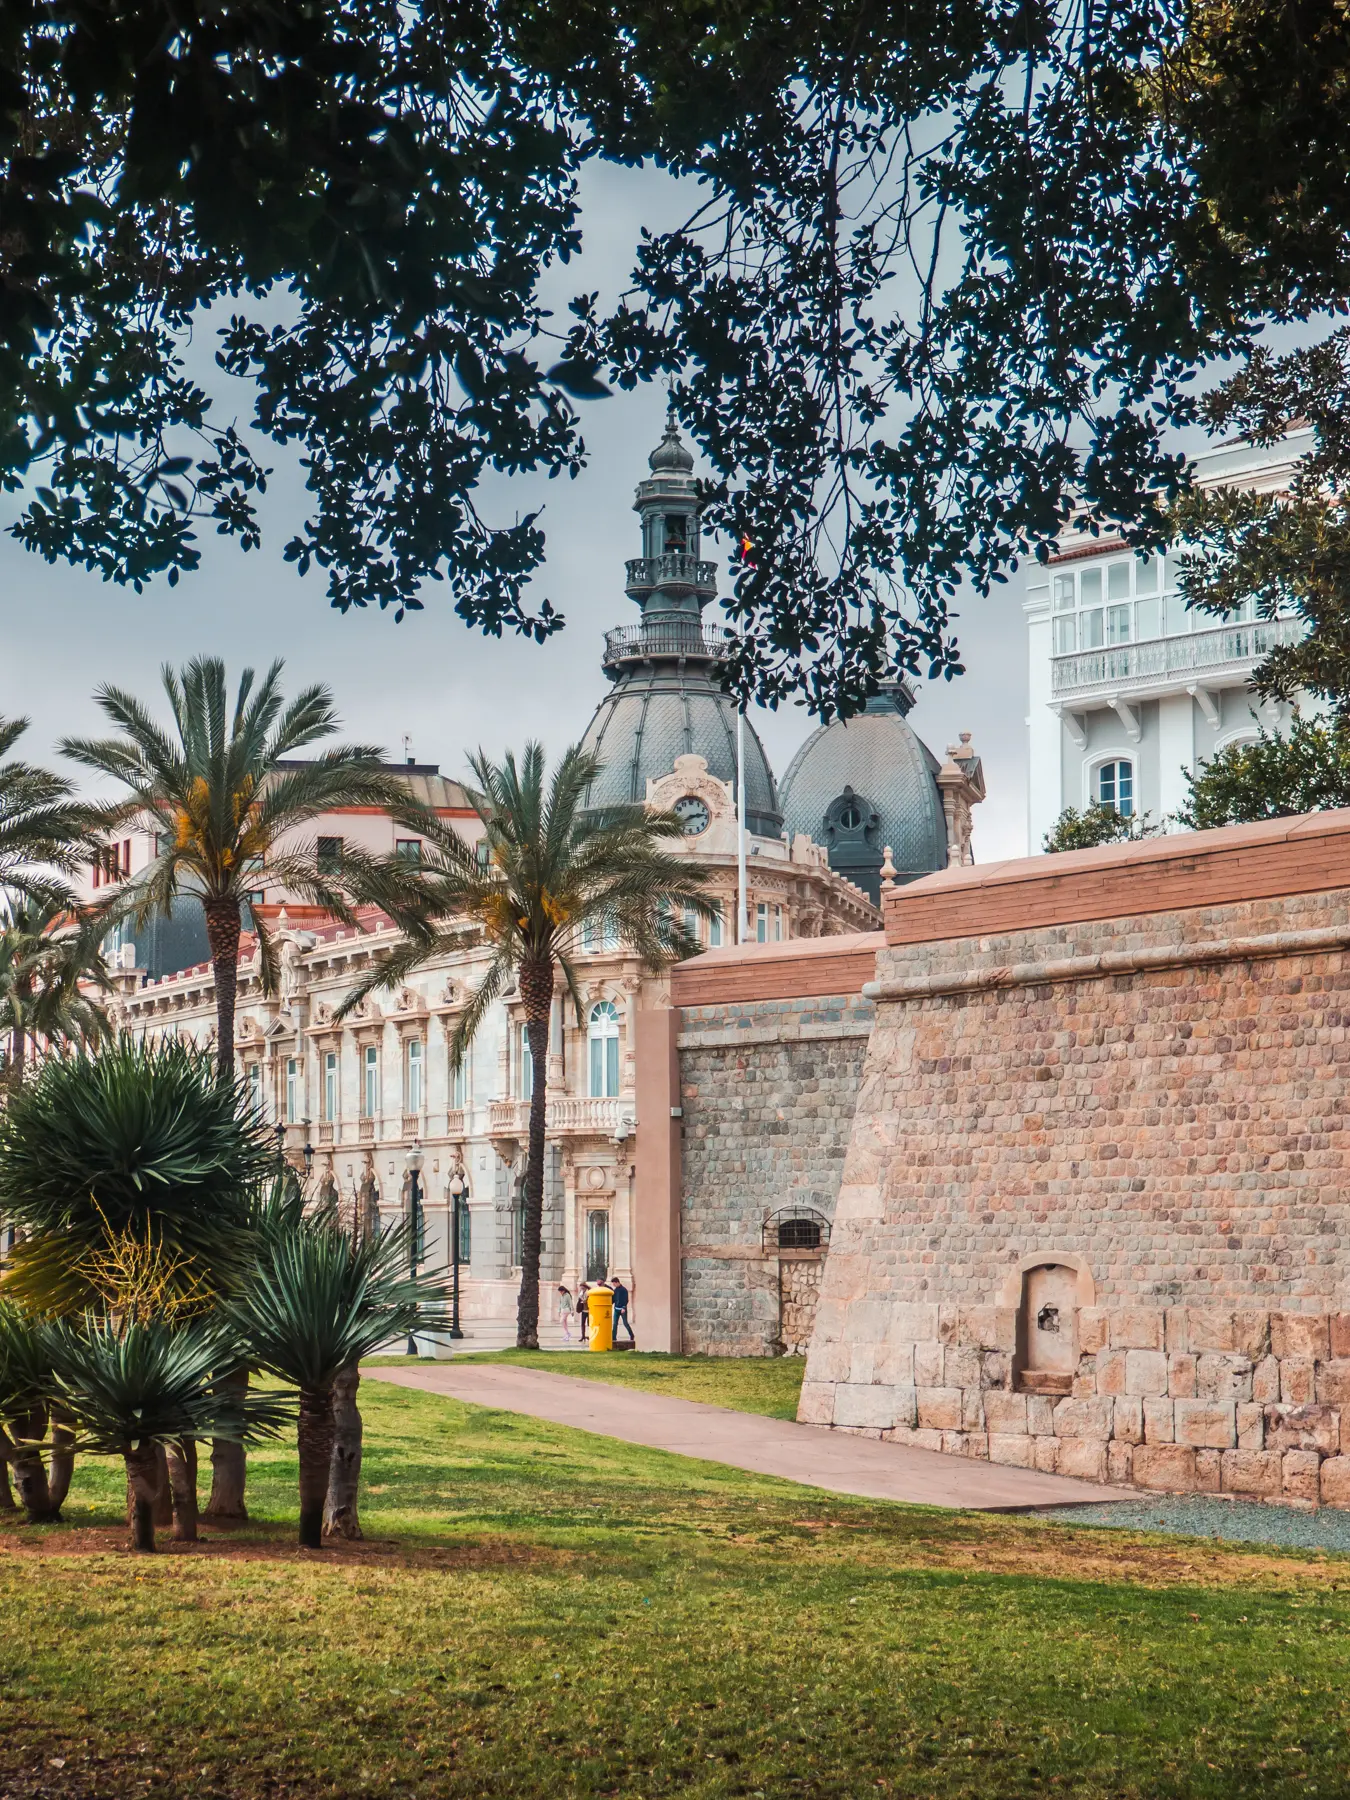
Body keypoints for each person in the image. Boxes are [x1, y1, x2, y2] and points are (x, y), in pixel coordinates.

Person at [611, 1275, 634, 1344]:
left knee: (625, 1323)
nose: (613, 1285)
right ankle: (613, 1337)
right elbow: (613, 1299)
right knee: (615, 1323)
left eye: (614, 1284)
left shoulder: (624, 1290)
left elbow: (626, 1300)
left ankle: (631, 1335)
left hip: (622, 1309)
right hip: (616, 1309)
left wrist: (624, 1307)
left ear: (617, 1282)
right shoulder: (615, 1290)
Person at [575, 1279, 590, 1343]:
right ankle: (583, 1336)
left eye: (582, 1287)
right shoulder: (581, 1292)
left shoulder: (588, 1292)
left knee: (589, 1324)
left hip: (589, 1310)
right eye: (581, 1287)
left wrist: (583, 1300)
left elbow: (585, 1300)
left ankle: (590, 1336)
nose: (581, 1288)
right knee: (582, 1324)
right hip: (584, 1310)